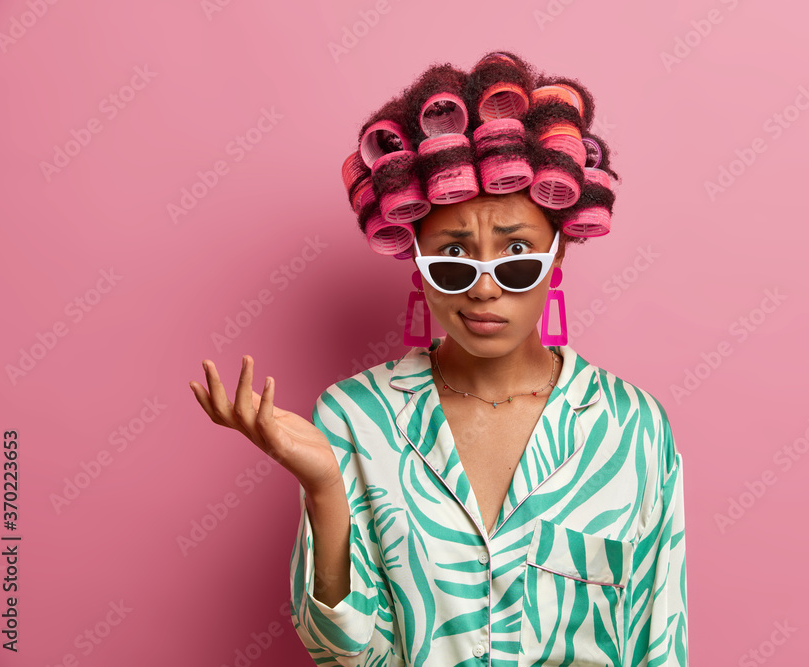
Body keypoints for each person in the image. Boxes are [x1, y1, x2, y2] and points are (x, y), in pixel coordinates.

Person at [190, 50, 687, 667]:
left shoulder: (631, 427)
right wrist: (324, 487)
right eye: (453, 260)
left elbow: (659, 640)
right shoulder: (355, 418)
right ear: (417, 264)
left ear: (557, 257)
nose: (484, 287)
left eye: (517, 257)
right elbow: (341, 652)